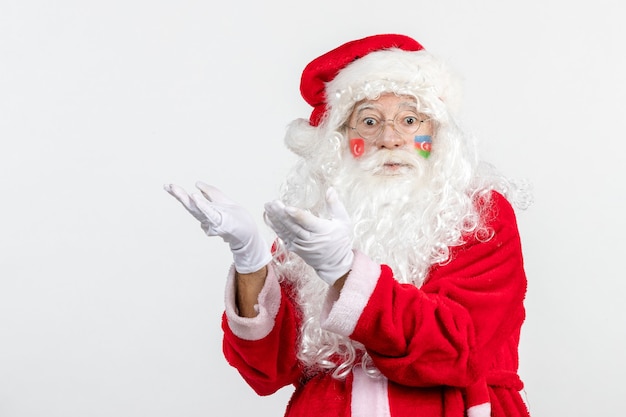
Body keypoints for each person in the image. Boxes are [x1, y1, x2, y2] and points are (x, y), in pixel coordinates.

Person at [164, 33, 532, 417]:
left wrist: (345, 273)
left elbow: (460, 346)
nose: (390, 138)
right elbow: (269, 370)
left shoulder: (479, 213)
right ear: (342, 139)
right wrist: (250, 262)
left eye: (409, 119)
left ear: (436, 131)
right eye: (369, 121)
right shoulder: (316, 216)